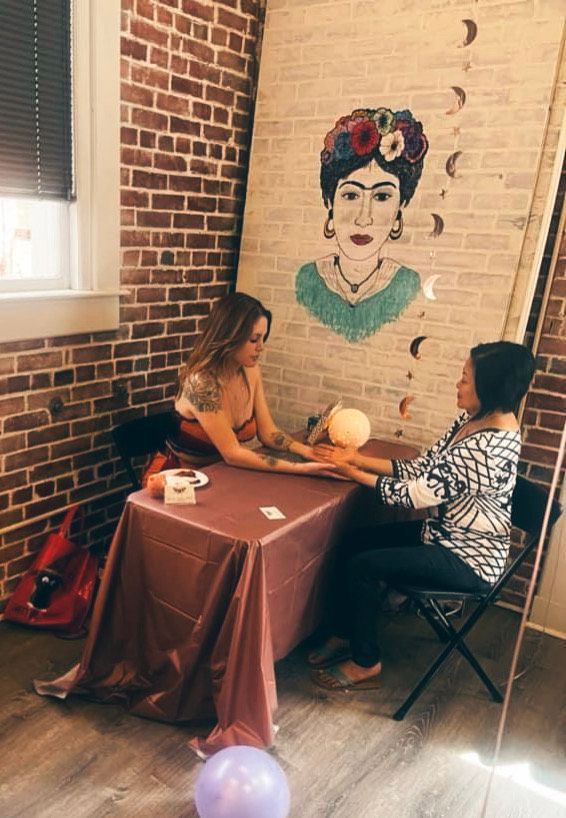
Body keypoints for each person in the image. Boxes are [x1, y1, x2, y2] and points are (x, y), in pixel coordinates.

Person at [308, 341, 535, 690]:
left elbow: (415, 494)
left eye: (465, 379)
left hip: (467, 559)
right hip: (444, 534)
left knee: (362, 566)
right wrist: (355, 458)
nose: (457, 385)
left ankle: (366, 661)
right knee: (354, 541)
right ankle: (344, 630)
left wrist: (348, 471)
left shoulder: (488, 447)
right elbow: (423, 466)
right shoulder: (473, 418)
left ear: (490, 386)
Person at [145, 291, 333, 479]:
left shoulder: (250, 370)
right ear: (230, 336)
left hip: (223, 474)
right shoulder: (201, 383)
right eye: (253, 339)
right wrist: (300, 469)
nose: (261, 347)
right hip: (180, 479)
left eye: (263, 338)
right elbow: (232, 453)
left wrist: (306, 452)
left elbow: (268, 432)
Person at [295, 106, 428, 342]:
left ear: (399, 212)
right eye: (351, 195)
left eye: (382, 197)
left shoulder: (408, 286)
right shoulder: (307, 280)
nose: (363, 218)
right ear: (330, 205)